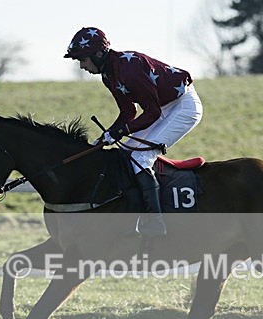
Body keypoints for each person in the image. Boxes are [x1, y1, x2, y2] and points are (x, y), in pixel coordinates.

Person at [64, 27, 203, 237]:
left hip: (183, 106)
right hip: (163, 107)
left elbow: (152, 112)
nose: (82, 66)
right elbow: (128, 111)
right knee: (126, 153)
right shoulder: (108, 75)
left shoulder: (129, 69)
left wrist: (121, 131)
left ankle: (155, 223)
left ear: (98, 54)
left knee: (141, 156)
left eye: (83, 59)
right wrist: (108, 134)